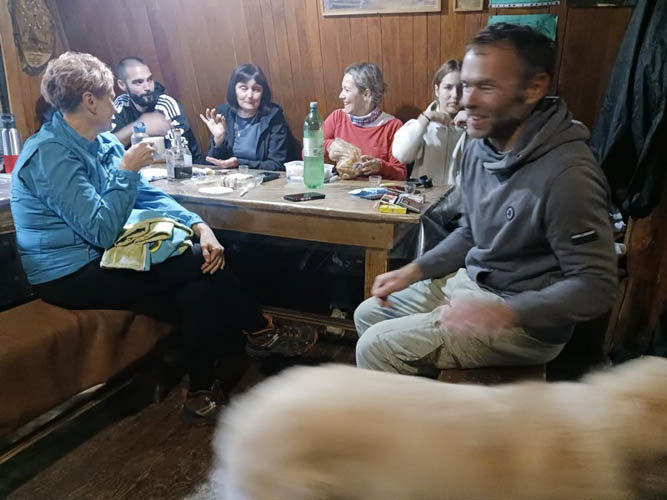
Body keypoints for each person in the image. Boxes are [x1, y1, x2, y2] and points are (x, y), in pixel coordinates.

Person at [10, 52, 314, 423]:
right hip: (67, 274)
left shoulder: (100, 142)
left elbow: (146, 195)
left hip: (104, 256)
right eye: (109, 97)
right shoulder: (50, 154)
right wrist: (126, 171)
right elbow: (101, 231)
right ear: (89, 101)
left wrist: (199, 225)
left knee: (198, 285)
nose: (115, 104)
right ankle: (259, 330)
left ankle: (202, 390)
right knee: (199, 264)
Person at [353, 23, 618, 376]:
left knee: (375, 346)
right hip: (473, 284)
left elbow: (597, 285)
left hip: (526, 323)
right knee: (368, 313)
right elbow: (471, 232)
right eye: (466, 85)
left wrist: (508, 313)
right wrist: (414, 270)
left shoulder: (568, 174)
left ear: (535, 87)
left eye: (487, 87)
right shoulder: (482, 145)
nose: (467, 100)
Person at [200, 63, 295, 171]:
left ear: (263, 92)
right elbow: (212, 164)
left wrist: (239, 163)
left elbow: (277, 164)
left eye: (256, 89)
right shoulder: (224, 114)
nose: (250, 95)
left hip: (263, 179)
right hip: (229, 179)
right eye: (243, 88)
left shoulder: (273, 116)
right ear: (234, 90)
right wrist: (218, 141)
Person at [111, 56, 205, 164]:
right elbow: (105, 149)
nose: (147, 87)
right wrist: (135, 128)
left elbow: (181, 156)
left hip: (186, 170)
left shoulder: (167, 105)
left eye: (149, 79)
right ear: (122, 85)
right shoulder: (120, 105)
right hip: (140, 171)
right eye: (138, 82)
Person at [324, 62, 406, 181]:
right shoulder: (337, 117)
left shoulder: (392, 126)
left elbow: (401, 174)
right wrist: (329, 146)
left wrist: (381, 167)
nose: (341, 95)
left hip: (376, 190)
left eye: (347, 90)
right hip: (341, 188)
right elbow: (307, 152)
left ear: (366, 94)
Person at [392, 59, 467, 186]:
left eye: (461, 88)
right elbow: (401, 155)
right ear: (437, 90)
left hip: (460, 197)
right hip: (425, 196)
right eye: (448, 87)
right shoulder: (421, 124)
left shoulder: (473, 126)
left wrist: (474, 121)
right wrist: (426, 119)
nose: (455, 95)